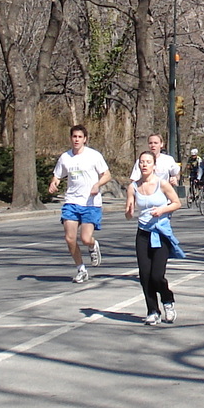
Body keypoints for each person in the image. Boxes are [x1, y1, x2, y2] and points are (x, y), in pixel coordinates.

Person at [125, 149, 184, 325]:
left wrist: (162, 210)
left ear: (154, 166)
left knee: (157, 276)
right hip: (143, 233)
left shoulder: (162, 184)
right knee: (145, 275)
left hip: (160, 233)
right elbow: (129, 213)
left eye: (147, 162)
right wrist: (128, 211)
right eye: (141, 162)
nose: (144, 165)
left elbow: (177, 203)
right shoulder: (133, 187)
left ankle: (168, 300)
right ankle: (152, 310)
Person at [47, 125, 112, 284]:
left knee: (85, 238)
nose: (76, 140)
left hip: (90, 203)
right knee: (69, 238)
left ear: (85, 139)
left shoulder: (94, 156)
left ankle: (92, 245)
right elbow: (57, 176)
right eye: (74, 137)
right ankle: (81, 269)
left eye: (79, 137)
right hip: (72, 202)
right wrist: (53, 183)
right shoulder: (65, 157)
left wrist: (97, 185)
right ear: (71, 138)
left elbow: (107, 175)